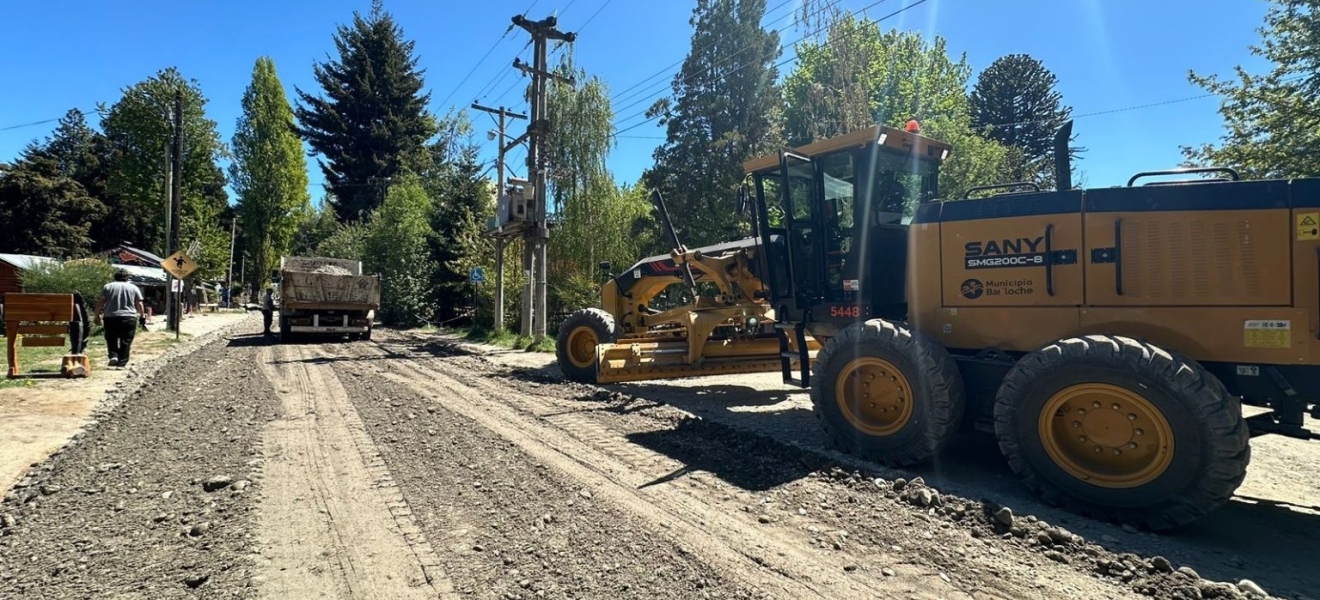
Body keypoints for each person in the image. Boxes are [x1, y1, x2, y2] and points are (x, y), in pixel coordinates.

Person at [94, 269, 145, 367]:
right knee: (126, 340)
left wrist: (96, 315)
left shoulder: (108, 287)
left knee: (111, 338)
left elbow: (101, 301)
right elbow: (139, 303)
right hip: (129, 317)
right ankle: (122, 362)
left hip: (110, 317)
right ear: (127, 278)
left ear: (115, 277)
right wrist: (142, 315)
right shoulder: (133, 288)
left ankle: (113, 355)